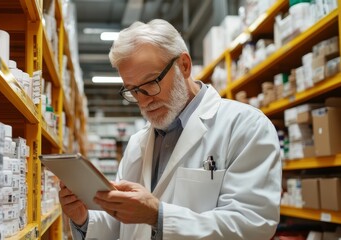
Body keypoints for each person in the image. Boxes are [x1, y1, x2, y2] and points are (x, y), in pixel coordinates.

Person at [59, 19, 282, 239]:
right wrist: (83, 218)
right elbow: (121, 226)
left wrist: (158, 216)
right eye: (133, 90)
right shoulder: (138, 143)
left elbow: (254, 224)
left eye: (151, 83)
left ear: (184, 66)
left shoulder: (245, 126)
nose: (144, 101)